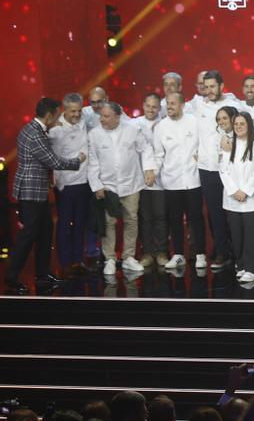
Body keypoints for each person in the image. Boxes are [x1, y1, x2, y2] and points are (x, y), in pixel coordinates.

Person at [5, 97, 85, 294]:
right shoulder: (35, 134)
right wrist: (77, 161)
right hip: (31, 193)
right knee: (28, 236)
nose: (57, 118)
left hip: (37, 193)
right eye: (55, 115)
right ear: (48, 115)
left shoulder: (34, 128)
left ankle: (42, 275)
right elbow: (53, 161)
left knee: (45, 231)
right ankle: (12, 277)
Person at [88, 101, 155, 277]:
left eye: (106, 116)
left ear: (118, 117)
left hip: (131, 183)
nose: (102, 119)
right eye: (101, 116)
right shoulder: (94, 134)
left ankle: (128, 258)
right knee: (109, 223)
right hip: (108, 186)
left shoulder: (132, 129)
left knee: (131, 220)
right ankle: (109, 259)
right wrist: (96, 185)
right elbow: (93, 161)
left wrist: (149, 169)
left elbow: (146, 148)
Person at [151, 92, 203, 270]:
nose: (169, 107)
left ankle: (200, 254)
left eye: (173, 103)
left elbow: (203, 144)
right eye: (168, 104)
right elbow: (158, 155)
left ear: (182, 105)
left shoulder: (194, 122)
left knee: (196, 218)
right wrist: (152, 173)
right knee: (174, 219)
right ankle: (179, 254)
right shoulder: (161, 127)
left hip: (193, 179)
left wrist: (201, 157)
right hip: (171, 180)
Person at [48, 92, 93, 275]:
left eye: (79, 111)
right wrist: (58, 183)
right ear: (65, 110)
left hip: (84, 181)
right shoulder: (56, 131)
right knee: (65, 224)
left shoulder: (83, 121)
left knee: (81, 223)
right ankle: (65, 262)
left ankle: (77, 259)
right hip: (66, 185)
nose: (76, 114)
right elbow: (53, 159)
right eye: (72, 111)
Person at [218, 111, 254, 284]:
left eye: (242, 124)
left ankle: (252, 268)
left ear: (249, 125)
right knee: (237, 234)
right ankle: (241, 264)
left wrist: (245, 190)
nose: (238, 127)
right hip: (232, 198)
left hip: (251, 197)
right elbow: (223, 169)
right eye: (236, 124)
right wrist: (234, 190)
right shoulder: (228, 144)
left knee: (252, 234)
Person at [194, 71, 233, 270]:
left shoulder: (234, 104)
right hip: (207, 168)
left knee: (232, 211)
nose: (209, 90)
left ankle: (233, 250)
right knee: (214, 212)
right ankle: (221, 251)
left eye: (212, 86)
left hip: (230, 168)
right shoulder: (198, 105)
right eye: (206, 86)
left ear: (221, 86)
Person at [130, 93, 167, 269]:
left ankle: (161, 252)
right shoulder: (133, 123)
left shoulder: (165, 123)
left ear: (160, 108)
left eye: (155, 107)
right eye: (148, 106)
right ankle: (147, 252)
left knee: (161, 216)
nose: (151, 109)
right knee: (145, 218)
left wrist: (154, 171)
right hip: (141, 179)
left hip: (161, 179)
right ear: (143, 105)